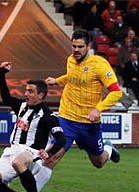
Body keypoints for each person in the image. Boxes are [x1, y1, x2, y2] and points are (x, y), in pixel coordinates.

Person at [0, 62, 66, 192]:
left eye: (31, 92)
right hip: (11, 152)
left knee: (19, 162)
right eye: (26, 90)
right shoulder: (22, 107)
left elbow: (61, 139)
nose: (26, 94)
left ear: (41, 95)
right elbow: (5, 97)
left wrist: (48, 152)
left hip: (32, 154)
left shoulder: (47, 116)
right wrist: (1, 73)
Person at [45, 29, 122, 171]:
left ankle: (108, 148)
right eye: (74, 46)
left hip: (89, 122)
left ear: (89, 46)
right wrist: (56, 81)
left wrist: (98, 109)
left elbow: (116, 92)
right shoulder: (70, 60)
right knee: (51, 158)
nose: (76, 50)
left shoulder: (99, 65)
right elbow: (72, 77)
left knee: (98, 162)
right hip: (67, 117)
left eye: (80, 47)